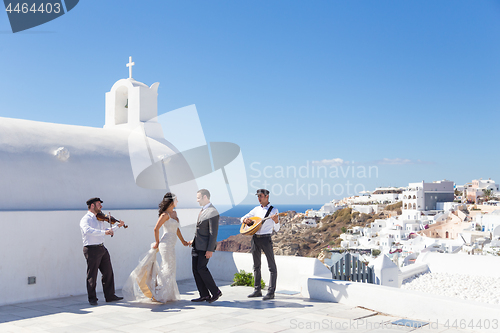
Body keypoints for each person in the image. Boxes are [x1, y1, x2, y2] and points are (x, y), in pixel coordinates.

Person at [122, 193, 189, 303]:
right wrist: (157, 242)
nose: (178, 202)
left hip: (172, 244)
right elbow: (156, 229)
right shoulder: (165, 215)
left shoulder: (174, 213)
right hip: (165, 245)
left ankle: (168, 294)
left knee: (171, 268)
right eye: (176, 200)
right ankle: (160, 294)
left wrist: (183, 241)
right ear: (171, 202)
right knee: (167, 268)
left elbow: (176, 229)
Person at [80, 197, 125, 306]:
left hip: (101, 248)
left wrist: (117, 227)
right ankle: (92, 298)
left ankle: (110, 296)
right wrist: (103, 232)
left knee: (108, 272)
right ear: (92, 206)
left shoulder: (99, 218)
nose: (101, 206)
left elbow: (105, 231)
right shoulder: (86, 219)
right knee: (92, 274)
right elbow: (88, 230)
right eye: (99, 204)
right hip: (91, 249)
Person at [241, 189, 280, 300]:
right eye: (258, 196)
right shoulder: (256, 209)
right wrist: (245, 220)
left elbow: (277, 228)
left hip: (265, 239)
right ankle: (257, 290)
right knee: (256, 265)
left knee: (271, 266)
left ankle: (271, 292)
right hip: (255, 239)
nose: (259, 198)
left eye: (261, 196)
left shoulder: (274, 210)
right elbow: (242, 218)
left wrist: (276, 221)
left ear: (267, 196)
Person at [188, 189, 222, 303]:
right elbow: (201, 229)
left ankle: (215, 291)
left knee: (202, 269)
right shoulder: (203, 210)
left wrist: (210, 249)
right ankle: (204, 295)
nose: (197, 200)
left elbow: (213, 233)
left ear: (205, 197)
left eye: (198, 198)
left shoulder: (212, 212)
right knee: (195, 270)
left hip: (205, 248)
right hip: (196, 245)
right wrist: (194, 241)